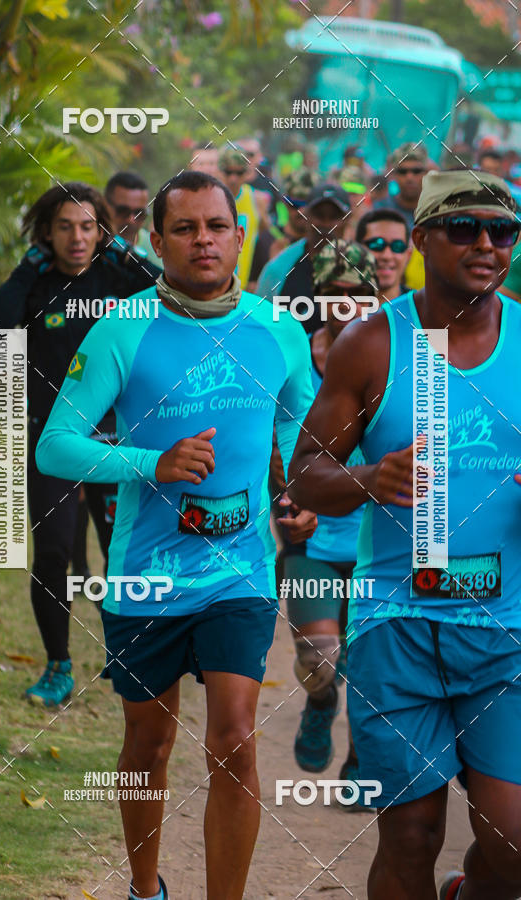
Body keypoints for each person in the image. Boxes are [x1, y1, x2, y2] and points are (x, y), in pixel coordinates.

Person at [35, 171, 317, 900]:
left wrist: (295, 487)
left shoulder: (277, 329)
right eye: (185, 229)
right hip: (145, 573)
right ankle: (144, 888)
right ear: (156, 241)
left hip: (239, 573)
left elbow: (304, 421)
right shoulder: (122, 329)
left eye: (216, 227)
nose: (203, 241)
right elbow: (55, 445)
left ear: (239, 236)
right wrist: (150, 462)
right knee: (150, 743)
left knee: (235, 739)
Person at [289, 169, 521, 900]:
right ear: (421, 240)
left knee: (512, 844)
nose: (485, 245)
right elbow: (304, 476)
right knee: (411, 834)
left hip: (507, 629)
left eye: (502, 232)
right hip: (399, 624)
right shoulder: (372, 341)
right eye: (464, 228)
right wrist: (367, 481)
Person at [0, 182, 158, 706]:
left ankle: (126, 654)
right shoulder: (35, 283)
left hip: (115, 444)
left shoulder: (118, 278)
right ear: (46, 234)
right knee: (54, 552)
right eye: (64, 227)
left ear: (100, 230)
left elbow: (172, 294)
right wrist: (27, 266)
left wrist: (124, 250)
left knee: (121, 554)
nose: (77, 238)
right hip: (53, 442)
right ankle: (58, 666)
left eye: (87, 226)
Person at [272, 240, 378, 782]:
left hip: (380, 544)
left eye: (361, 294)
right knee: (322, 661)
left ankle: (361, 765)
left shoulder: (400, 357)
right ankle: (318, 704)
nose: (349, 306)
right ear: (318, 297)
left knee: (372, 666)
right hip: (310, 542)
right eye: (336, 294)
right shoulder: (292, 356)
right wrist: (287, 502)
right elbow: (269, 443)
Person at [257, 183, 352, 333]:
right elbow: (261, 326)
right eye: (320, 215)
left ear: (347, 220)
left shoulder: (360, 267)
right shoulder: (279, 268)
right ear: (306, 216)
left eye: (334, 217)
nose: (326, 224)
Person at [376, 142, 430, 290]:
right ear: (393, 175)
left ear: (426, 173)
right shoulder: (380, 211)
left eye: (416, 171)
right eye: (403, 172)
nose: (409, 177)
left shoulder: (437, 211)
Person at [217, 146, 260, 286]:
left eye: (239, 173)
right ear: (219, 171)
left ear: (246, 173)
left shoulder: (255, 198)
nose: (233, 179)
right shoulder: (209, 198)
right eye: (228, 172)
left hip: (242, 288)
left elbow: (265, 239)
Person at [105, 171, 161, 268]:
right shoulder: (87, 248)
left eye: (139, 213)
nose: (131, 220)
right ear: (104, 207)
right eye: (123, 211)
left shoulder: (157, 248)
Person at [355, 209, 412, 302]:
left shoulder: (423, 308)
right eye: (377, 244)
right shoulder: (338, 306)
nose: (387, 256)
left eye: (397, 246)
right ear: (356, 251)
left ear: (408, 255)